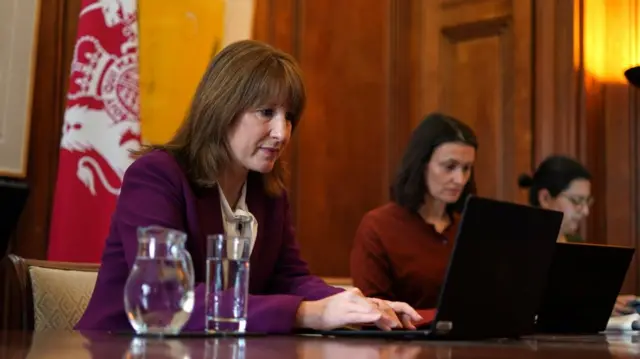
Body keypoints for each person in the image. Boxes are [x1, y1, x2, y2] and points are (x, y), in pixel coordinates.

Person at [75, 40, 421, 333]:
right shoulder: (156, 176)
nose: (282, 132)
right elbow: (164, 299)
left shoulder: (267, 191)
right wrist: (307, 313)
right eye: (266, 112)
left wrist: (358, 304)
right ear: (223, 109)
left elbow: (290, 277)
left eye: (289, 117)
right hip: (122, 349)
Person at [350, 113, 478, 309]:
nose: (460, 179)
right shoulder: (379, 226)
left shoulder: (471, 226)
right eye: (449, 167)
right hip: (402, 338)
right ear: (422, 165)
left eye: (466, 168)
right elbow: (373, 310)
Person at [518, 155, 637, 316]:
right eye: (576, 201)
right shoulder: (518, 245)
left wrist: (608, 301)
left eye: (587, 202)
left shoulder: (576, 243)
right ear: (545, 198)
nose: (585, 211)